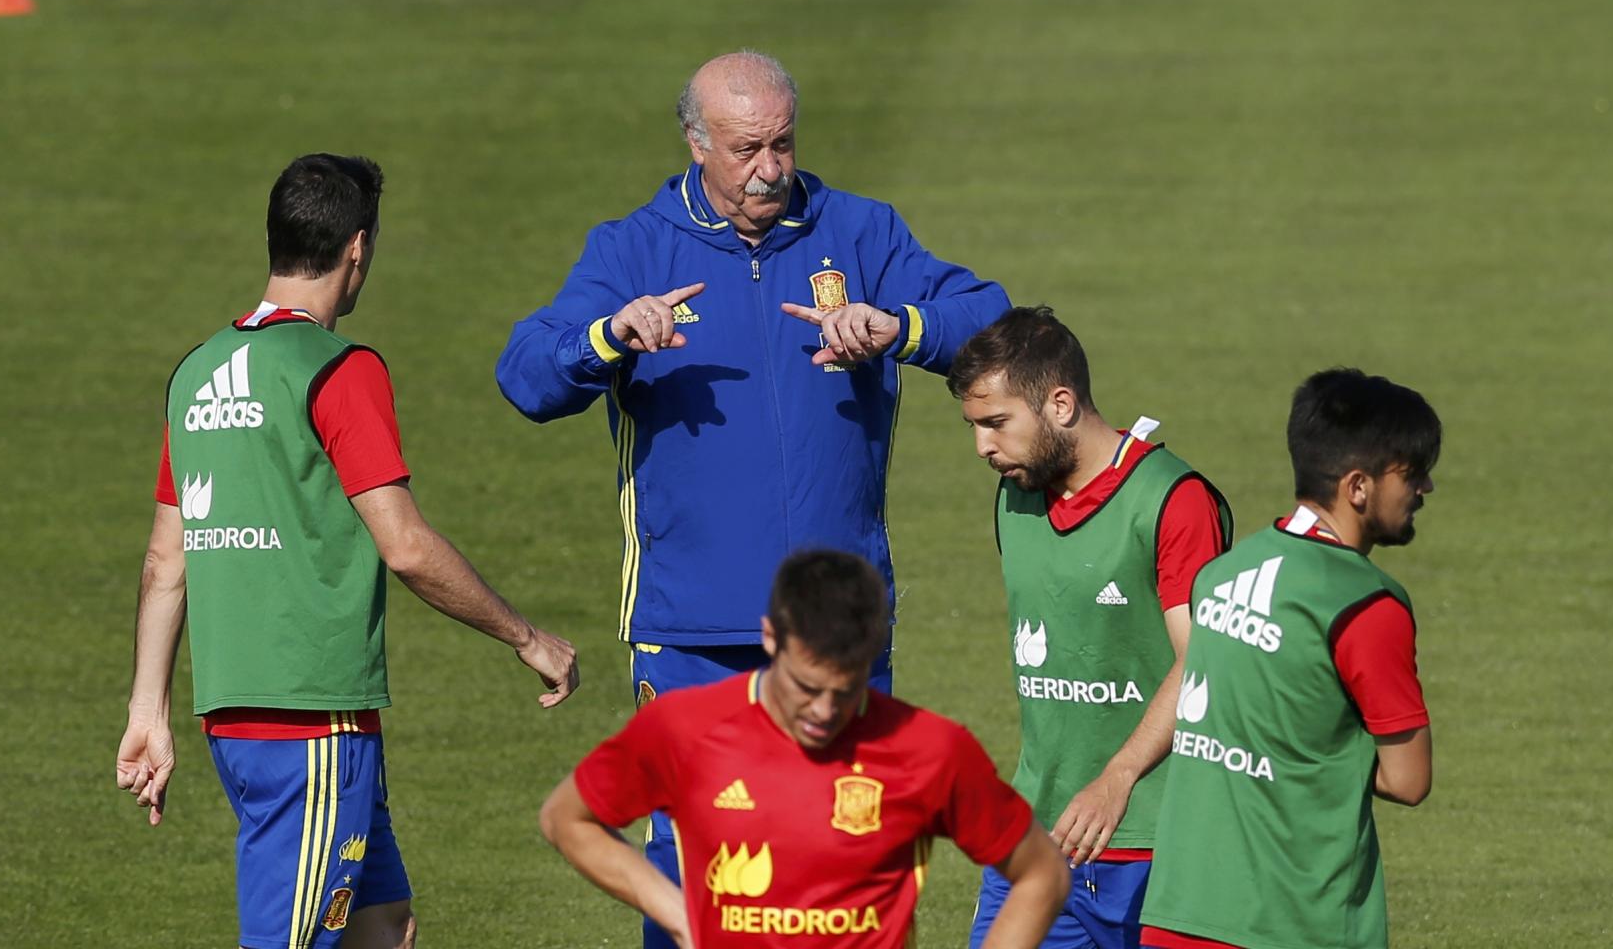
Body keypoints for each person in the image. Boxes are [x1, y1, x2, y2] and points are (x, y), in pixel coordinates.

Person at [494, 49, 1011, 943]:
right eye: (745, 149)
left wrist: (900, 327)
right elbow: (526, 376)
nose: (770, 169)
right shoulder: (632, 249)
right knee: (698, 862)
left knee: (844, 858)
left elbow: (989, 317)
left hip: (837, 627)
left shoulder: (861, 232)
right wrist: (611, 335)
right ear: (696, 143)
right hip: (695, 629)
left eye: (782, 143)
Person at [115, 153, 579, 949]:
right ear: (357, 249)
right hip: (313, 728)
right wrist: (526, 637)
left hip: (237, 719)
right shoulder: (340, 371)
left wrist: (147, 711)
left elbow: (167, 560)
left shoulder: (195, 375)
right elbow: (404, 546)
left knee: (381, 924)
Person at [540, 549, 1069, 948]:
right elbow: (568, 818)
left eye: (845, 691)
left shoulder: (929, 749)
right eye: (807, 688)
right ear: (770, 638)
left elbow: (1041, 871)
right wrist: (678, 914)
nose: (823, 711)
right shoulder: (685, 728)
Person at [946, 307, 1233, 949]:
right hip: (1040, 838)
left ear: (1062, 403)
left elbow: (1204, 662)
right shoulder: (1016, 492)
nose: (983, 447)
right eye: (973, 427)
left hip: (1155, 844)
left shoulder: (1171, 500)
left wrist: (1117, 778)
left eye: (997, 424)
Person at [1138, 368, 1439, 949]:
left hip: (1178, 911)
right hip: (1293, 920)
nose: (1425, 487)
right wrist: (1316, 750)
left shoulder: (1222, 575)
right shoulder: (1365, 604)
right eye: (1413, 471)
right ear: (1359, 486)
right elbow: (1408, 779)